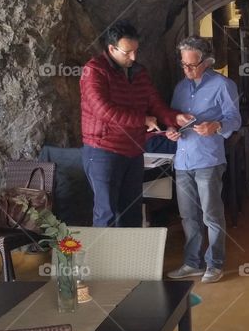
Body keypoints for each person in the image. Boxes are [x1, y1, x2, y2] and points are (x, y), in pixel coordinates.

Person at [80, 20, 193, 227]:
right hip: (103, 151)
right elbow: (104, 111)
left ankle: (129, 259)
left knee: (132, 213)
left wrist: (174, 118)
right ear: (111, 48)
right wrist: (142, 120)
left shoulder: (138, 71)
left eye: (136, 51)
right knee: (107, 214)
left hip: (133, 151)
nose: (133, 57)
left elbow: (154, 102)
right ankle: (105, 260)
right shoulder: (94, 71)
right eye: (127, 52)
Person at [166, 36, 241, 284]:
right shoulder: (179, 88)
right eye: (183, 64)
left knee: (211, 214)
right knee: (188, 215)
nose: (187, 70)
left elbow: (235, 120)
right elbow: (173, 119)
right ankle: (192, 263)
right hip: (183, 159)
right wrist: (171, 130)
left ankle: (215, 263)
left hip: (208, 158)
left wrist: (217, 125)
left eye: (192, 65)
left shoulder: (223, 85)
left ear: (207, 62)